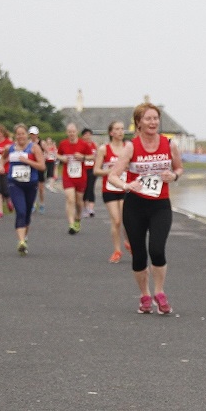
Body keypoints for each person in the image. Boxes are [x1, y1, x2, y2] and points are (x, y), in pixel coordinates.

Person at [106, 102, 184, 313]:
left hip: (160, 205)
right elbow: (112, 175)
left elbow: (178, 168)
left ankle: (159, 292)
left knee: (157, 250)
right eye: (148, 119)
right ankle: (144, 295)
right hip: (135, 206)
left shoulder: (169, 145)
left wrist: (173, 176)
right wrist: (126, 185)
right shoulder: (131, 147)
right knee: (139, 254)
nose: (153, 122)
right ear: (138, 122)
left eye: (155, 118)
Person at [4, 124, 47, 255]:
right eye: (18, 134)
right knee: (20, 211)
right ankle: (21, 241)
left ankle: (24, 237)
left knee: (27, 213)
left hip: (30, 184)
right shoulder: (10, 148)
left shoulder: (34, 148)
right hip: (14, 183)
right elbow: (2, 158)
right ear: (15, 135)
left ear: (27, 135)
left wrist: (27, 161)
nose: (20, 136)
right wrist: (1, 166)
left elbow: (42, 166)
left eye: (23, 134)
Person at [95, 120, 130, 263]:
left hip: (124, 187)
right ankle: (117, 250)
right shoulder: (104, 149)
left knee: (126, 220)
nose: (121, 132)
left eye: (122, 129)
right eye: (117, 129)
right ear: (111, 132)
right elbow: (96, 170)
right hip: (109, 188)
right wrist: (110, 171)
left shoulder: (128, 148)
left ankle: (128, 241)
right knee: (116, 221)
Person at [58, 122, 93, 234]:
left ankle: (78, 218)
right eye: (69, 132)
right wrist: (62, 158)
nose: (71, 134)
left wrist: (83, 157)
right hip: (67, 176)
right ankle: (71, 224)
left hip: (80, 176)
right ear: (67, 133)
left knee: (79, 202)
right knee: (70, 199)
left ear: (77, 132)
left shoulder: (84, 144)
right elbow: (57, 154)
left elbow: (92, 156)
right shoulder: (63, 144)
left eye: (73, 132)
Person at [28, 126, 47, 214]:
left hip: (39, 167)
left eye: (34, 134)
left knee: (41, 188)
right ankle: (32, 204)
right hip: (31, 167)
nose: (33, 136)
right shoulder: (28, 143)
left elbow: (48, 152)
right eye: (31, 134)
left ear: (37, 134)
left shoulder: (41, 143)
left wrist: (43, 158)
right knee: (31, 186)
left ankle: (42, 204)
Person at [81, 127, 98, 218]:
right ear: (83, 136)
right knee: (85, 188)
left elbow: (97, 156)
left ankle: (91, 208)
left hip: (92, 169)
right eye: (86, 135)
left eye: (89, 135)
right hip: (83, 169)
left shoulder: (94, 145)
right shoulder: (81, 145)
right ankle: (85, 207)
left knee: (91, 188)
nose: (88, 136)